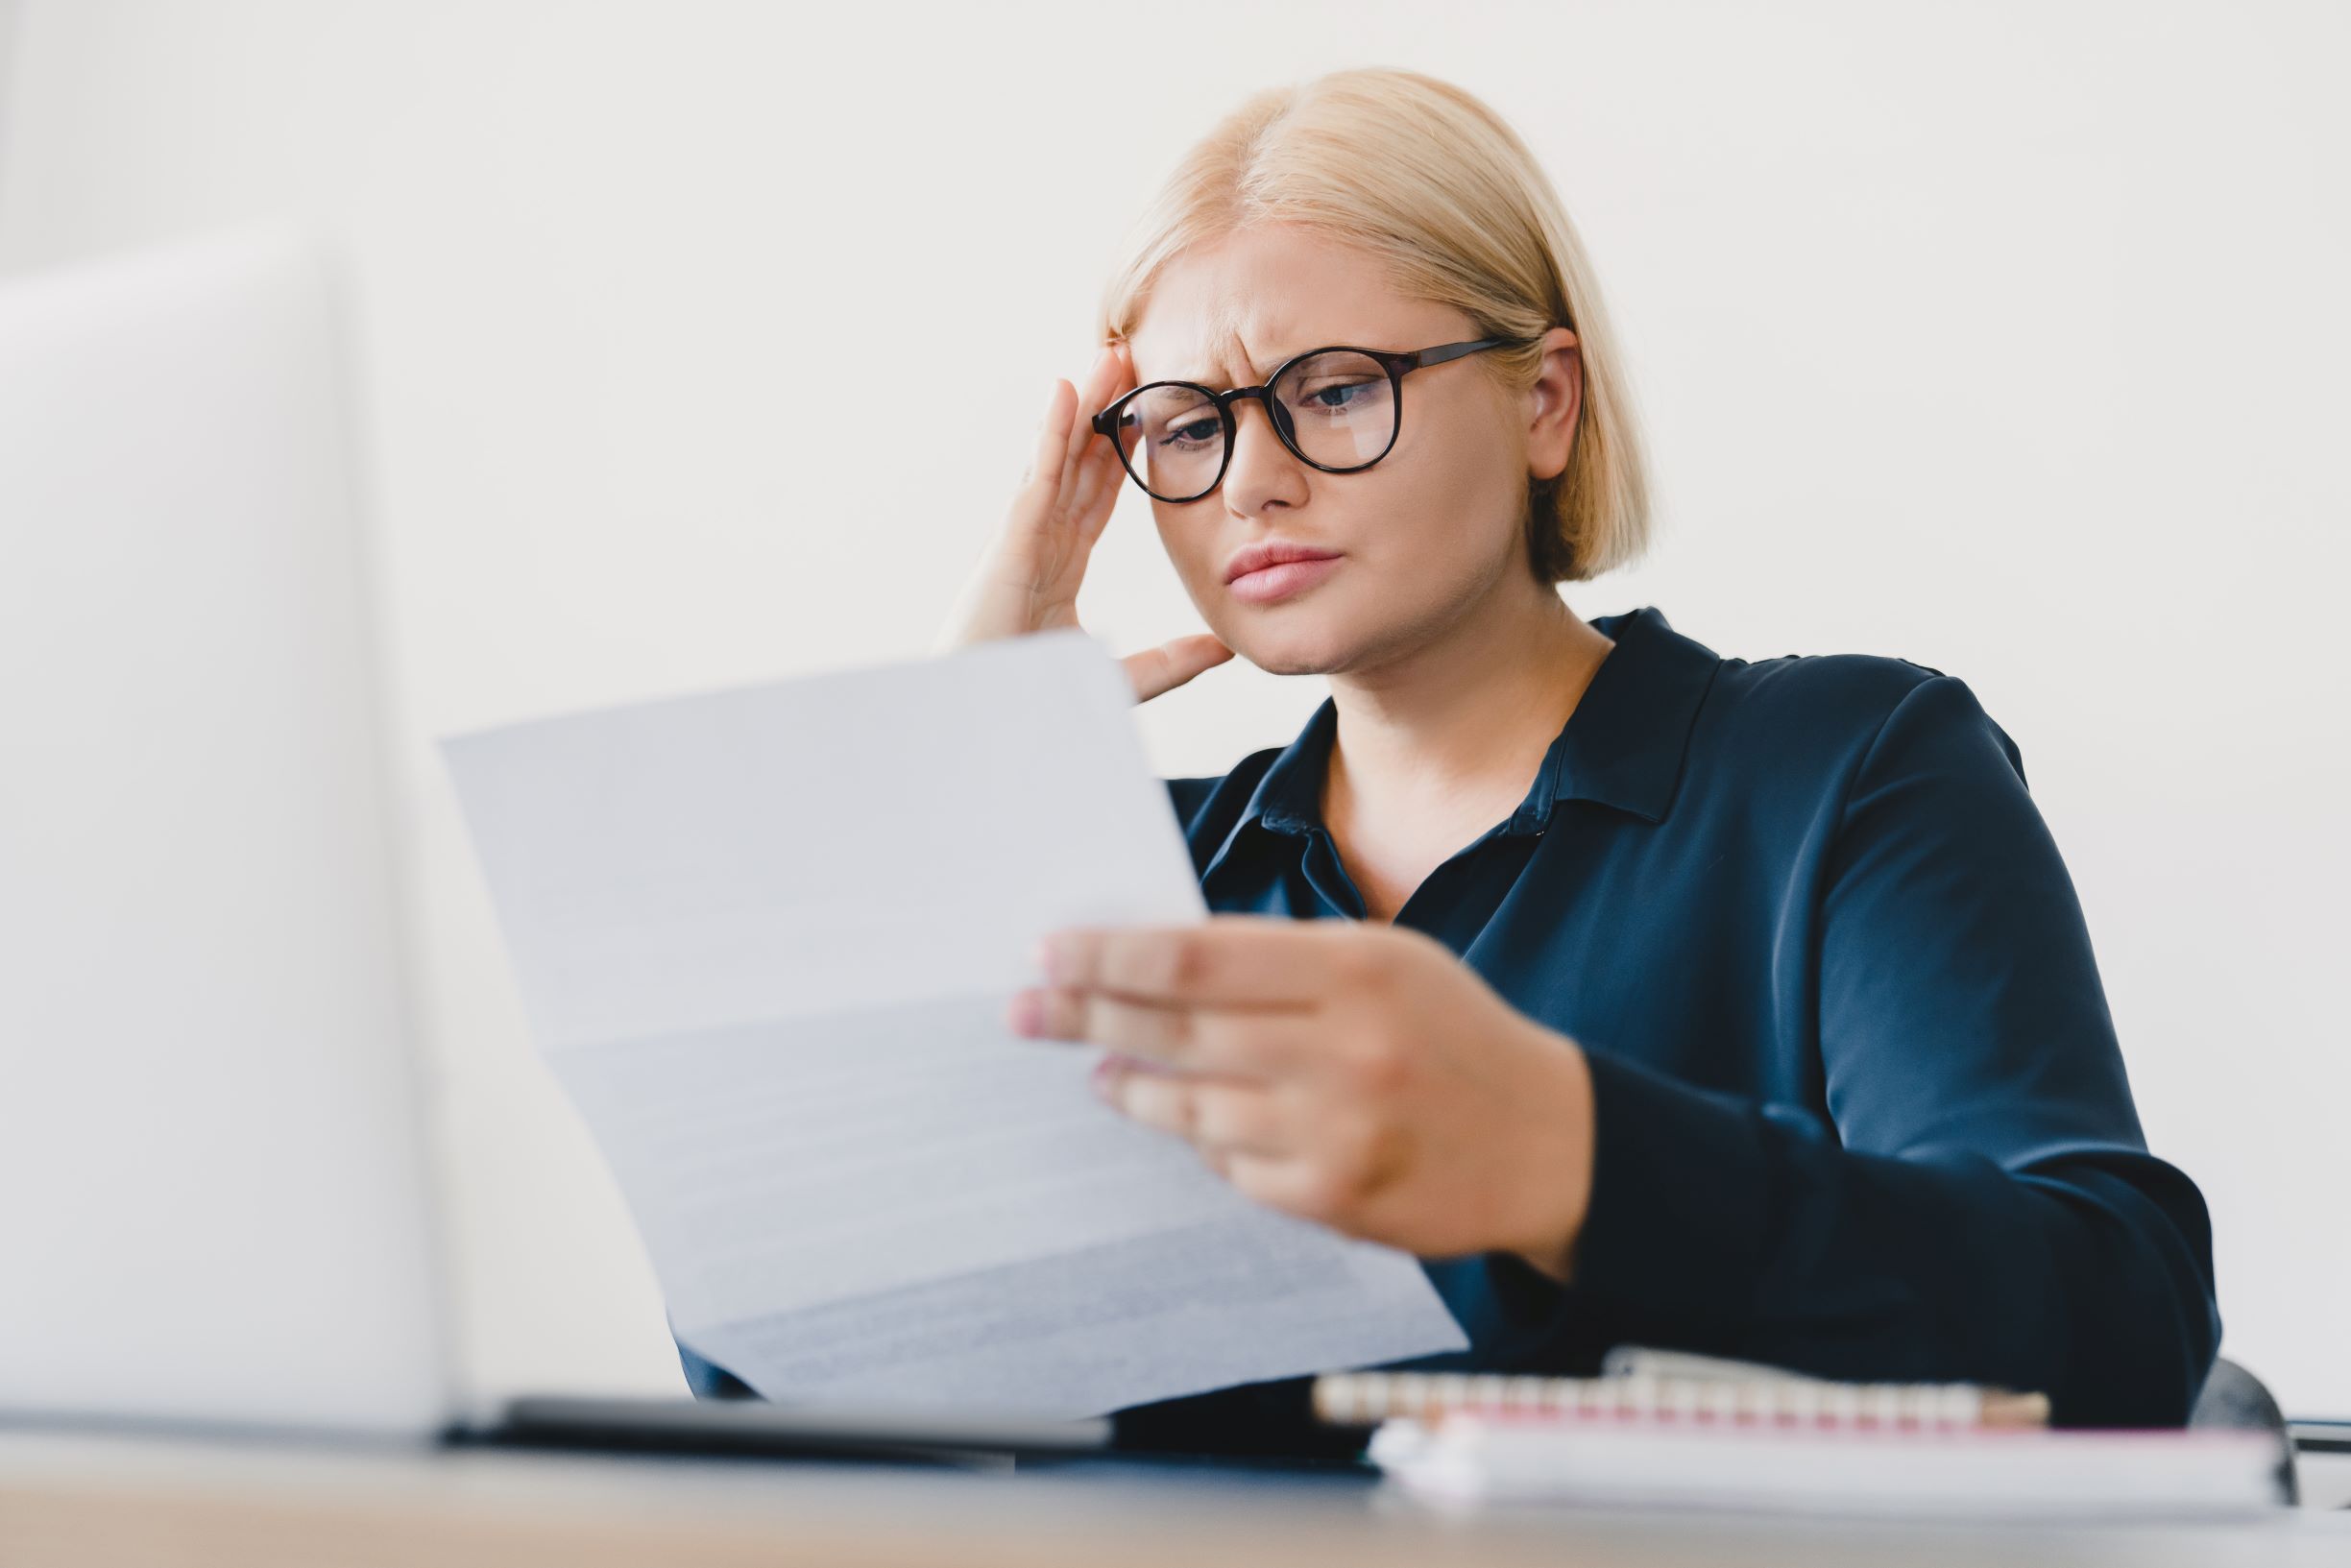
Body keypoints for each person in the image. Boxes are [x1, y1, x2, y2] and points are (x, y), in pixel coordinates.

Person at [676, 66, 2220, 1456]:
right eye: (1188, 423)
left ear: (1543, 400)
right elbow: (771, 1374)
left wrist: (1571, 1156)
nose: (1254, 482)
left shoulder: (1846, 770)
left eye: (1333, 391)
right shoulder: (1134, 877)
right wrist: (953, 766)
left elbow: (2116, 1322)